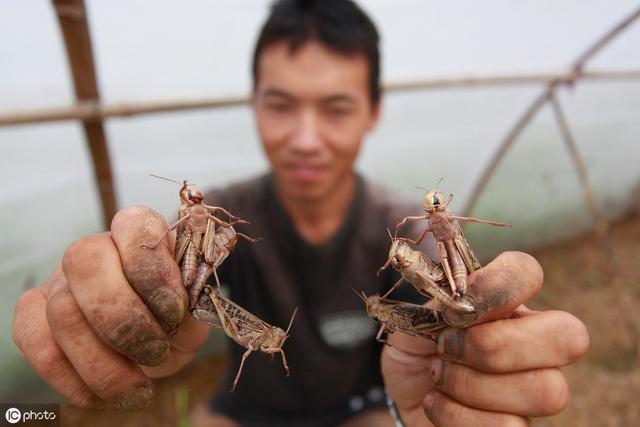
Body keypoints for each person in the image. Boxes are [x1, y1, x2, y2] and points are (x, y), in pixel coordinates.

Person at [12, 1, 589, 426]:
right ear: (255, 105)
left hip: (366, 408)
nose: (306, 140)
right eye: (281, 104)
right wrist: (121, 303)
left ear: (373, 113)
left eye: (336, 108)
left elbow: (447, 316)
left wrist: (467, 362)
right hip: (244, 411)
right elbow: (175, 318)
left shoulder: (404, 229)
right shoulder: (223, 215)